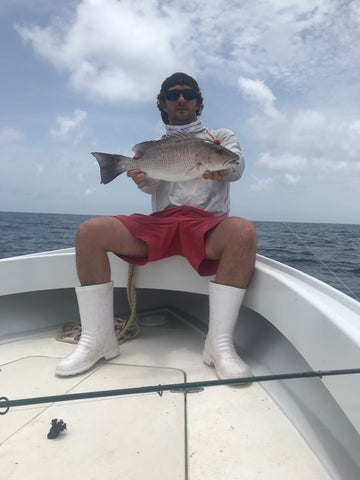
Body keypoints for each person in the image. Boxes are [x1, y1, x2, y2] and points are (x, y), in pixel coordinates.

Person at [55, 73, 257, 380]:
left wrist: (222, 168)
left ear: (197, 101)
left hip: (207, 224)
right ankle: (99, 340)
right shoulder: (157, 146)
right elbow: (151, 187)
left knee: (243, 232)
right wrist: (141, 176)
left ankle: (219, 345)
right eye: (173, 94)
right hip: (161, 222)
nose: (181, 99)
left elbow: (236, 165)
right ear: (162, 103)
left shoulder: (219, 137)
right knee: (89, 232)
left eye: (188, 93)